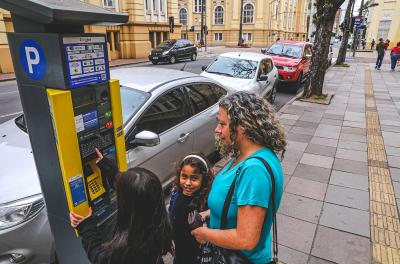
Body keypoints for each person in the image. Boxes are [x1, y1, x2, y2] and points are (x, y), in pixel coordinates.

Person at [191, 92, 286, 264]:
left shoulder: (254, 170)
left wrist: (204, 234)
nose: (217, 129)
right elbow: (236, 204)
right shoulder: (252, 154)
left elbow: (246, 239)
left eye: (222, 124)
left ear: (242, 126)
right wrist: (210, 213)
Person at [70, 149, 173, 264]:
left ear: (129, 206)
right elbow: (134, 190)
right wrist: (107, 167)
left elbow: (100, 259)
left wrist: (86, 228)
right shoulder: (158, 223)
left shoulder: (128, 249)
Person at [168, 153, 214, 264]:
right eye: (184, 176)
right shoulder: (175, 193)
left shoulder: (207, 201)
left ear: (204, 179)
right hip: (179, 251)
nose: (188, 183)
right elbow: (171, 216)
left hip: (198, 255)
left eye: (194, 178)